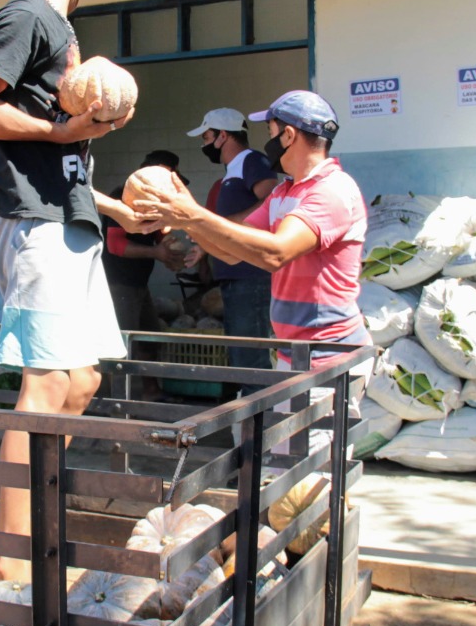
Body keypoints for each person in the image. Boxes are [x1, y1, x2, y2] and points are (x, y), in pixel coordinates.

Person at [0, 0, 153, 589]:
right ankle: (10, 564)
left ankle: (34, 517)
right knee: (45, 383)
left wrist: (120, 205)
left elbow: (63, 163)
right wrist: (55, 133)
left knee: (83, 379)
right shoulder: (28, 16)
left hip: (66, 217)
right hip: (33, 223)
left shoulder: (55, 29)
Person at [134, 90, 369, 438]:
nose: (268, 141)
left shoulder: (330, 191)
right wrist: (184, 218)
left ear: (289, 135)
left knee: (312, 481)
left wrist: (192, 213)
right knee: (283, 474)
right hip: (294, 355)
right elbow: (231, 249)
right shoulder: (284, 192)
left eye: (272, 132)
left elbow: (276, 252)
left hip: (327, 360)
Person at [186, 108, 277, 396]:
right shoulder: (232, 172)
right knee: (242, 356)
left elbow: (272, 200)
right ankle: (252, 429)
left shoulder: (252, 161)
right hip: (236, 276)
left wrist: (226, 224)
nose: (204, 144)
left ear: (223, 136)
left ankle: (259, 432)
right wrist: (204, 245)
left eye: (206, 137)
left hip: (250, 276)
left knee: (251, 360)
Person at [102, 150, 187, 402]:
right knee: (121, 345)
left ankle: (150, 392)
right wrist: (158, 252)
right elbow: (115, 246)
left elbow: (160, 234)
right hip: (117, 284)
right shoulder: (121, 197)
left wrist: (170, 250)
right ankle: (116, 403)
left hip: (138, 284)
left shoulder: (150, 201)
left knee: (150, 338)